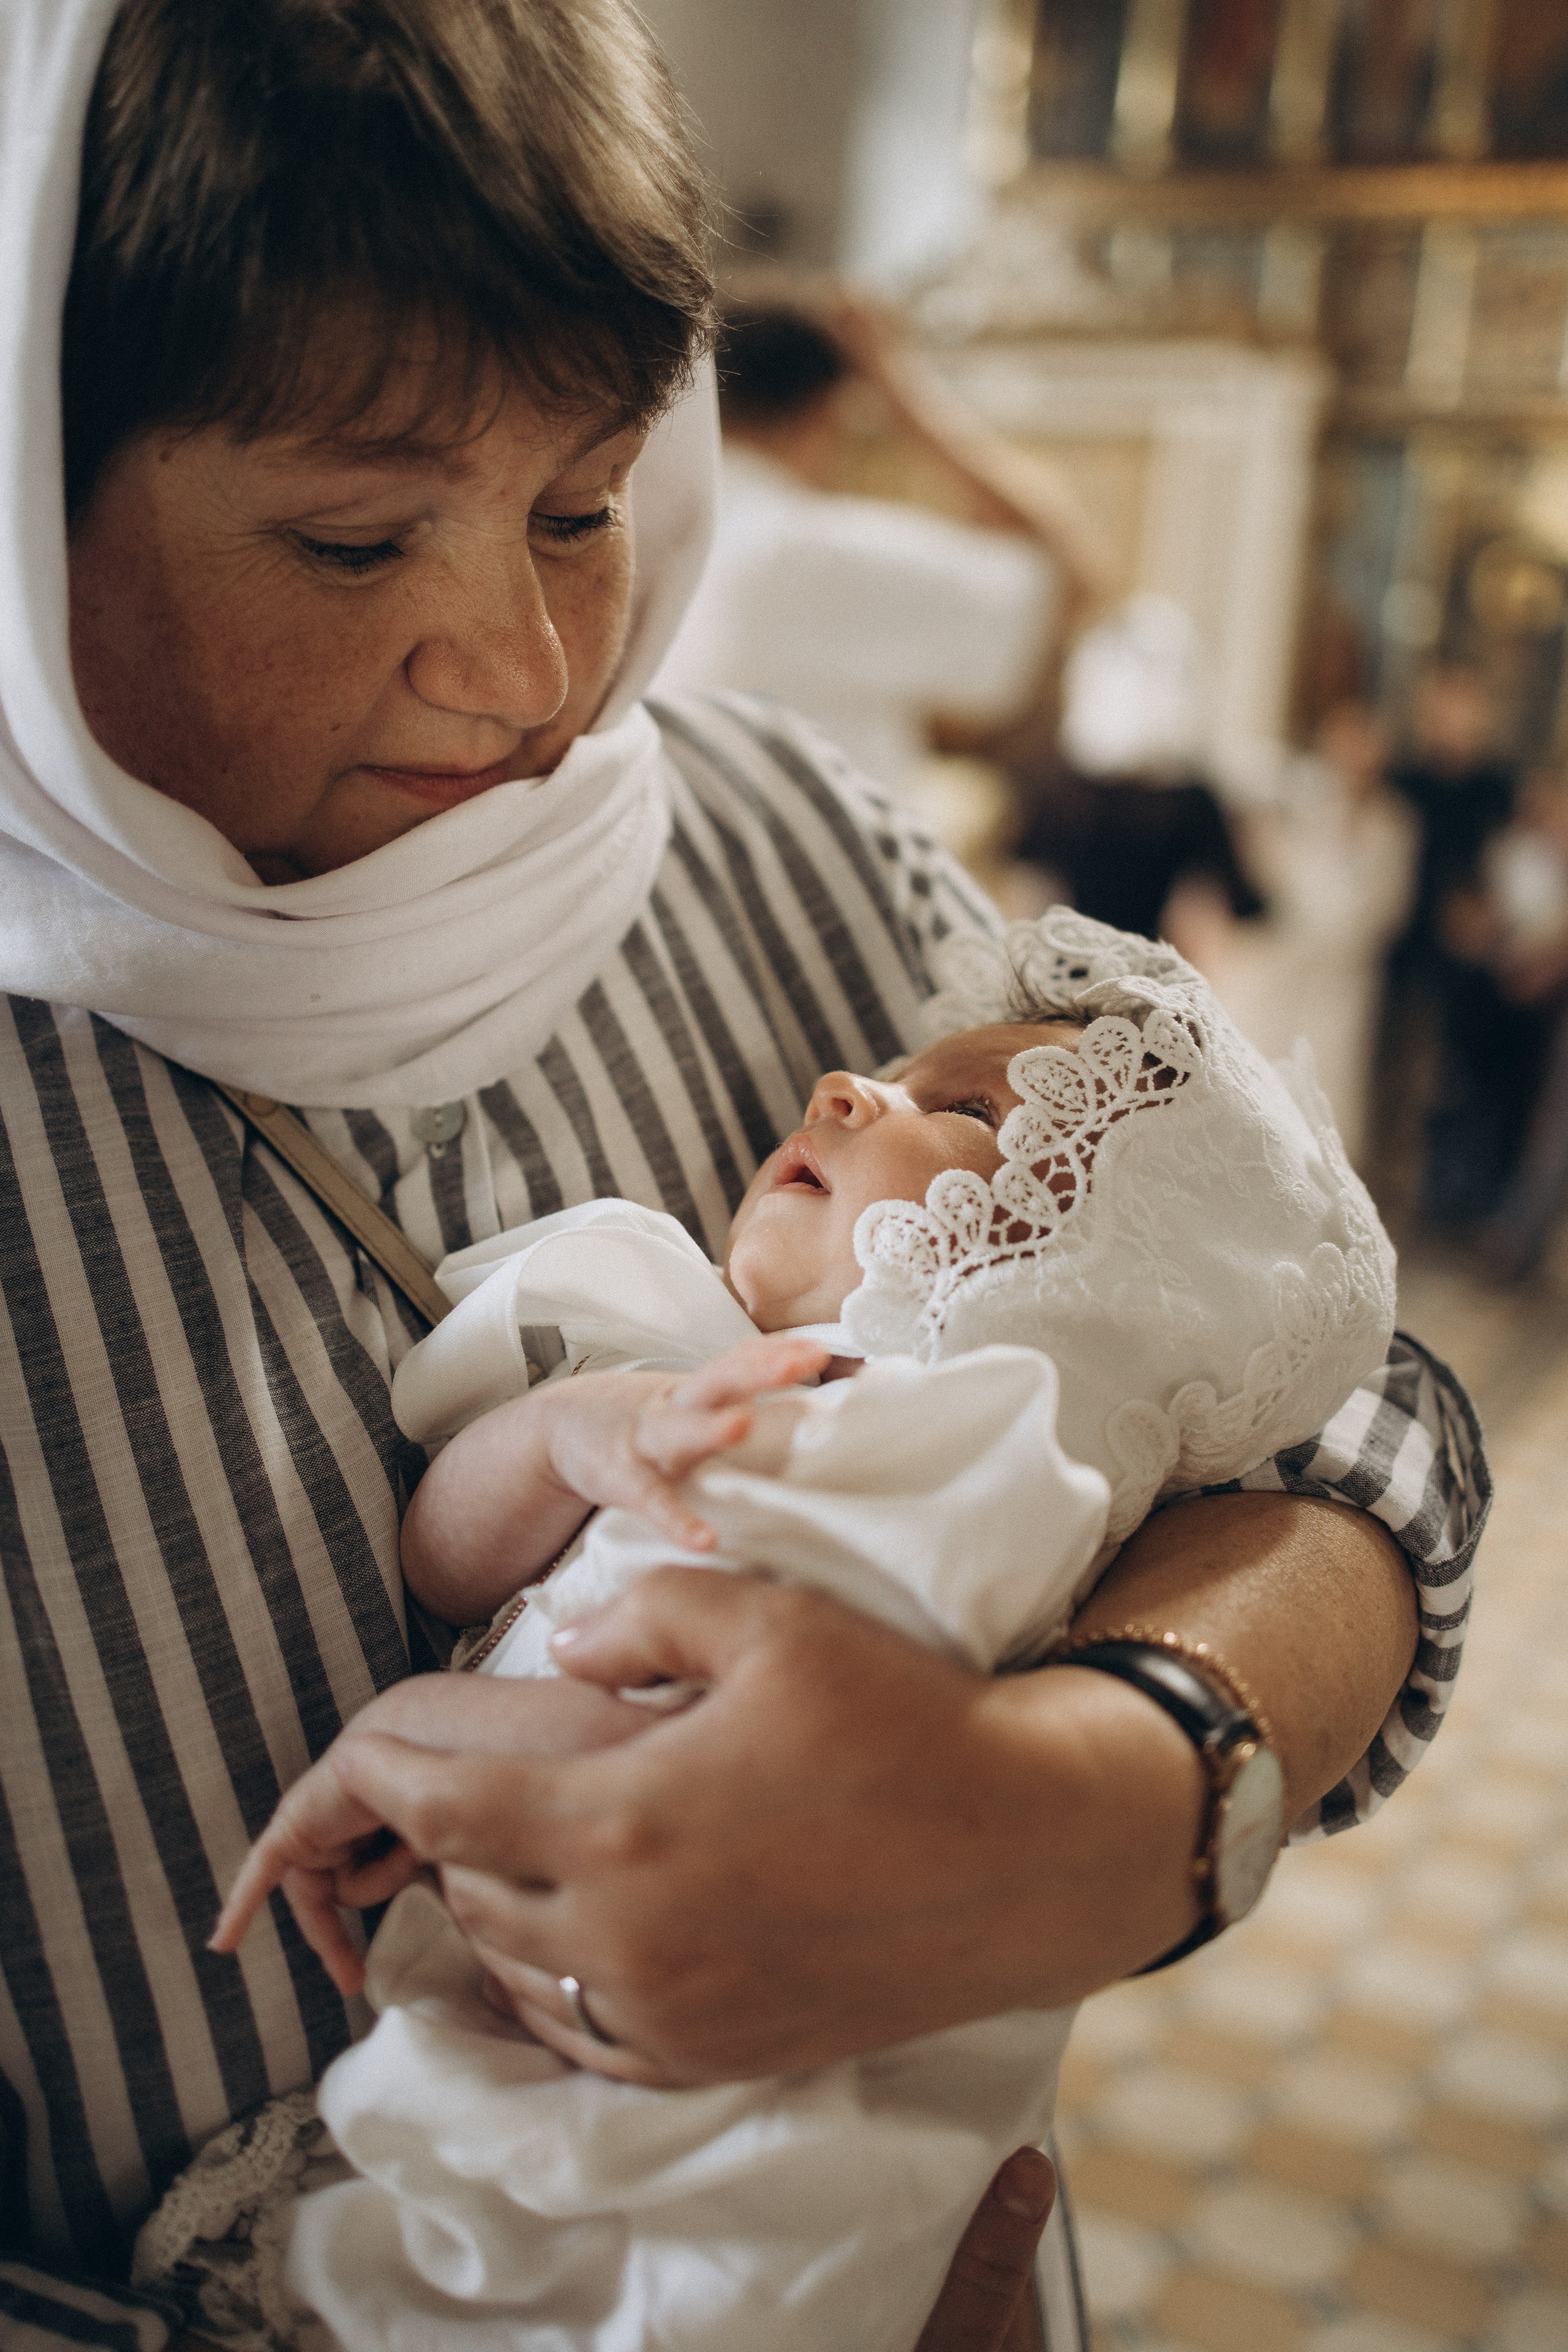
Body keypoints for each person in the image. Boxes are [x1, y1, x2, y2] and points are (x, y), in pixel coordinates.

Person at [0, 6, 1485, 2351]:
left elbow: (1328, 1373)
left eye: (583, 503)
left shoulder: (762, 834)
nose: (524, 670)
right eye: (355, 536)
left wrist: (1087, 1803)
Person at [165, 912, 1398, 2351]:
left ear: (1095, 1288)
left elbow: (699, 1772)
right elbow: (441, 1566)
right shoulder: (700, 1379)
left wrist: (402, 1741)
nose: (840, 1086)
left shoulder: (977, 1481)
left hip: (758, 2122)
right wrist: (575, 1430)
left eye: (957, 1112)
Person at [656, 297, 1110, 796]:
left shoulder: (656, 538)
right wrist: (905, 395)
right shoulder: (803, 552)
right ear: (826, 413)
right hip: (819, 845)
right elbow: (1071, 579)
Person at [1010, 595, 1265, 966]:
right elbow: (1030, 899)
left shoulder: (1191, 804)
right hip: (1090, 974)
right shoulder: (1067, 794)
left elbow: (1209, 920)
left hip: (1143, 979)